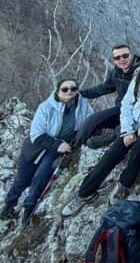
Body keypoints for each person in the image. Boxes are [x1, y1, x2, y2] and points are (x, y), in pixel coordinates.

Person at [62, 41, 140, 215]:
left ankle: (123, 185)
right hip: (134, 121)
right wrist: (127, 129)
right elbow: (127, 103)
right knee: (113, 153)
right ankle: (84, 193)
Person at [2, 79, 93, 225]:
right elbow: (36, 134)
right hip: (37, 147)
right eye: (65, 89)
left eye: (73, 88)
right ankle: (8, 208)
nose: (69, 91)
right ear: (58, 91)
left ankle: (28, 210)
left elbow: (90, 121)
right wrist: (58, 144)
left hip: (57, 149)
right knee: (22, 180)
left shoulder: (83, 105)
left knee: (40, 178)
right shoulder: (46, 107)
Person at [76, 44, 140, 148]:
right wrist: (81, 93)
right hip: (120, 109)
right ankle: (75, 147)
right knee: (92, 120)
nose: (122, 59)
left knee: (127, 127)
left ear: (132, 55)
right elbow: (104, 88)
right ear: (114, 60)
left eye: (125, 55)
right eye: (117, 57)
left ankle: (111, 137)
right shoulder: (116, 72)